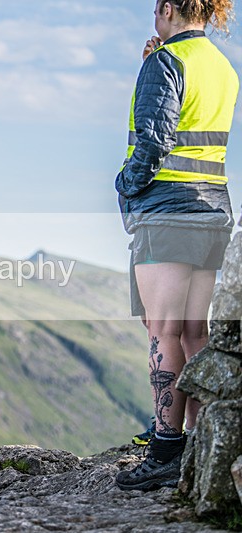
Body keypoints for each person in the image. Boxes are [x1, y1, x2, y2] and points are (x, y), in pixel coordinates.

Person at [114, 0, 238, 491]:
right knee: (192, 330)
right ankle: (203, 441)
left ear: (166, 8)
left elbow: (154, 139)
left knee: (162, 329)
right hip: (213, 211)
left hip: (168, 211)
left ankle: (166, 449)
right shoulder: (223, 67)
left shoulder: (168, 62)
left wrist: (126, 185)